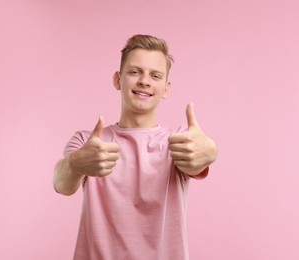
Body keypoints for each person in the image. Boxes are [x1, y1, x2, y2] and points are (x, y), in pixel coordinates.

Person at [53, 34, 217, 260]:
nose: (144, 81)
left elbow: (199, 156)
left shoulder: (178, 143)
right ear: (117, 80)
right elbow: (62, 185)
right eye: (135, 72)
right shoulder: (88, 143)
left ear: (166, 88)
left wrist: (210, 150)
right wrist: (75, 164)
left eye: (155, 75)